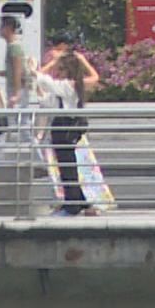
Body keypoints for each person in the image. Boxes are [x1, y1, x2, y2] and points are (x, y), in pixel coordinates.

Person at [37, 48, 97, 217]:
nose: (57, 71)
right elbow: (47, 101)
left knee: (67, 167)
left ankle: (73, 205)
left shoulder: (67, 85)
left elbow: (39, 77)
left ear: (68, 71)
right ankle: (81, 202)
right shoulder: (71, 86)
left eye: (61, 68)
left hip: (64, 128)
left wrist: (52, 63)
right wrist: (83, 60)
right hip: (62, 126)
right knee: (67, 166)